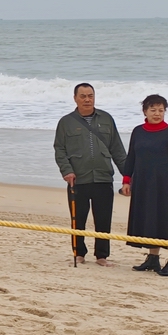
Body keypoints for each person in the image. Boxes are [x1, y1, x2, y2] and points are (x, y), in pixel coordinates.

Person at [53, 83, 127, 266]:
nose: (87, 99)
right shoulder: (66, 122)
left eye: (90, 96)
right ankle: (79, 254)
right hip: (77, 179)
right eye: (83, 96)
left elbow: (117, 149)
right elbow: (59, 149)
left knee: (103, 219)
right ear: (75, 98)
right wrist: (66, 170)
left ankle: (102, 256)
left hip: (103, 177)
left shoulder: (106, 118)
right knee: (78, 220)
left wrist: (128, 175)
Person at [120, 94, 168, 275]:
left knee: (164, 218)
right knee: (149, 219)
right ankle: (153, 258)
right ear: (145, 111)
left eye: (161, 110)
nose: (157, 113)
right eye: (153, 110)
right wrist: (126, 180)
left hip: (164, 184)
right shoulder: (138, 131)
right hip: (143, 182)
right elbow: (131, 156)